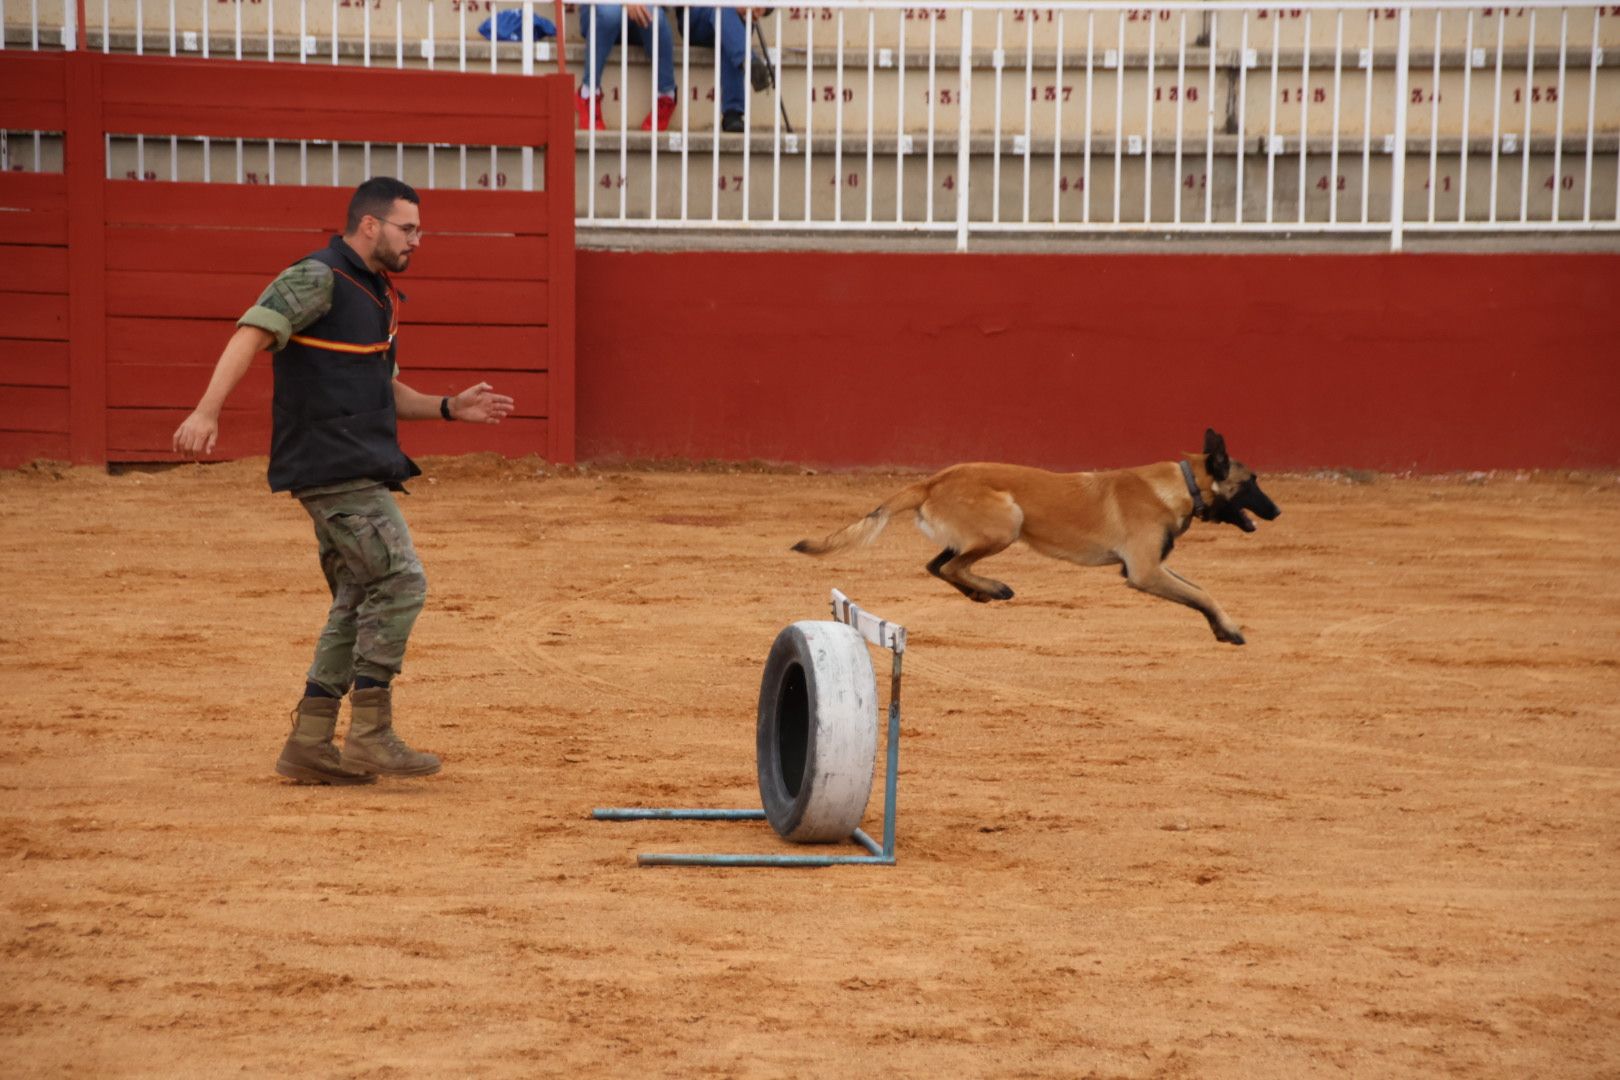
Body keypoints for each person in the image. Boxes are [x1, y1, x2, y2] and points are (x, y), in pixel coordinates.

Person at [172, 177, 515, 786]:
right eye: (407, 229)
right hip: (331, 466)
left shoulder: (377, 293)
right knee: (402, 580)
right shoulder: (318, 276)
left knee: (358, 597)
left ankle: (309, 741)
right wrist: (206, 410)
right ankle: (371, 733)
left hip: (353, 462)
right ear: (369, 226)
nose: (417, 240)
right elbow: (250, 333)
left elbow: (379, 388)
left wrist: (445, 407)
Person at [577, 3, 678, 132]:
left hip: (640, 18)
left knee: (654, 16)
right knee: (610, 14)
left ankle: (666, 96)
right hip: (600, 17)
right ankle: (588, 93)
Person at [681, 6, 772, 133]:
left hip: (734, 21)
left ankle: (746, 61)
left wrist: (760, 6)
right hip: (697, 17)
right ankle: (747, 61)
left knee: (733, 24)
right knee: (723, 10)